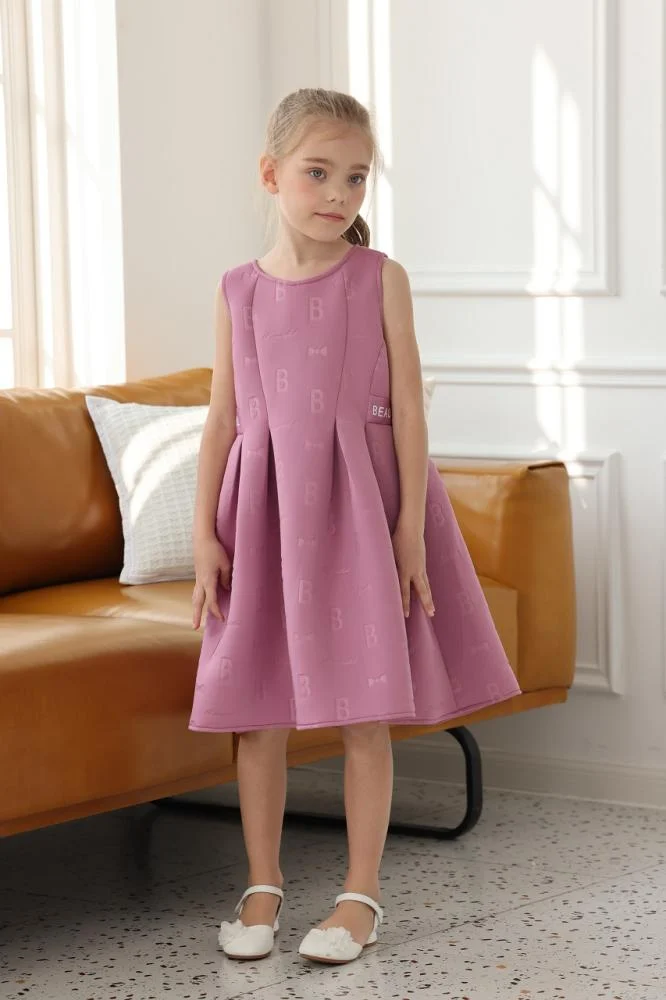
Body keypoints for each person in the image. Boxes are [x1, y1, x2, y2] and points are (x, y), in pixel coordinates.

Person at [188, 87, 521, 965]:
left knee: (364, 708)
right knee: (257, 711)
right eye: (319, 173)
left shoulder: (379, 277)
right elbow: (222, 419)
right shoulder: (237, 289)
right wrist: (204, 533)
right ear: (271, 175)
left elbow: (408, 407)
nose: (339, 193)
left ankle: (359, 894)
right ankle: (262, 886)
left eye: (357, 177)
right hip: (262, 514)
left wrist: (409, 528)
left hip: (362, 510)